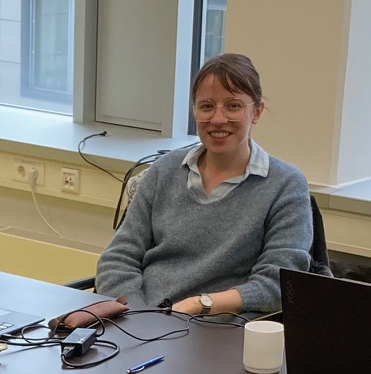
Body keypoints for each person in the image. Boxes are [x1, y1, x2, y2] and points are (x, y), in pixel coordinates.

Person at [90, 53, 314, 320]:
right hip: (144, 320)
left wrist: (200, 304)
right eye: (206, 106)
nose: (218, 119)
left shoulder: (285, 185)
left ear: (257, 111)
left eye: (233, 106)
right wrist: (141, 318)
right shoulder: (163, 171)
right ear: (194, 111)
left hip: (220, 330)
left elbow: (278, 285)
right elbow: (117, 260)